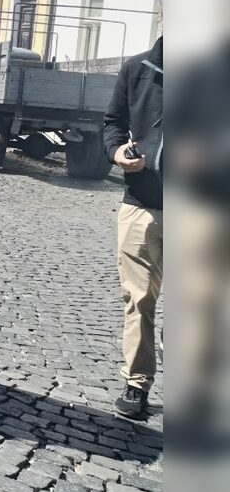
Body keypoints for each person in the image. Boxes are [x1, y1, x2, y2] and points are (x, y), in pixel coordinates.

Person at [103, 32, 163, 420]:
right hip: (142, 204)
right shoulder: (136, 69)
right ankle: (136, 383)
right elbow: (113, 123)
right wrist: (117, 151)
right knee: (139, 300)